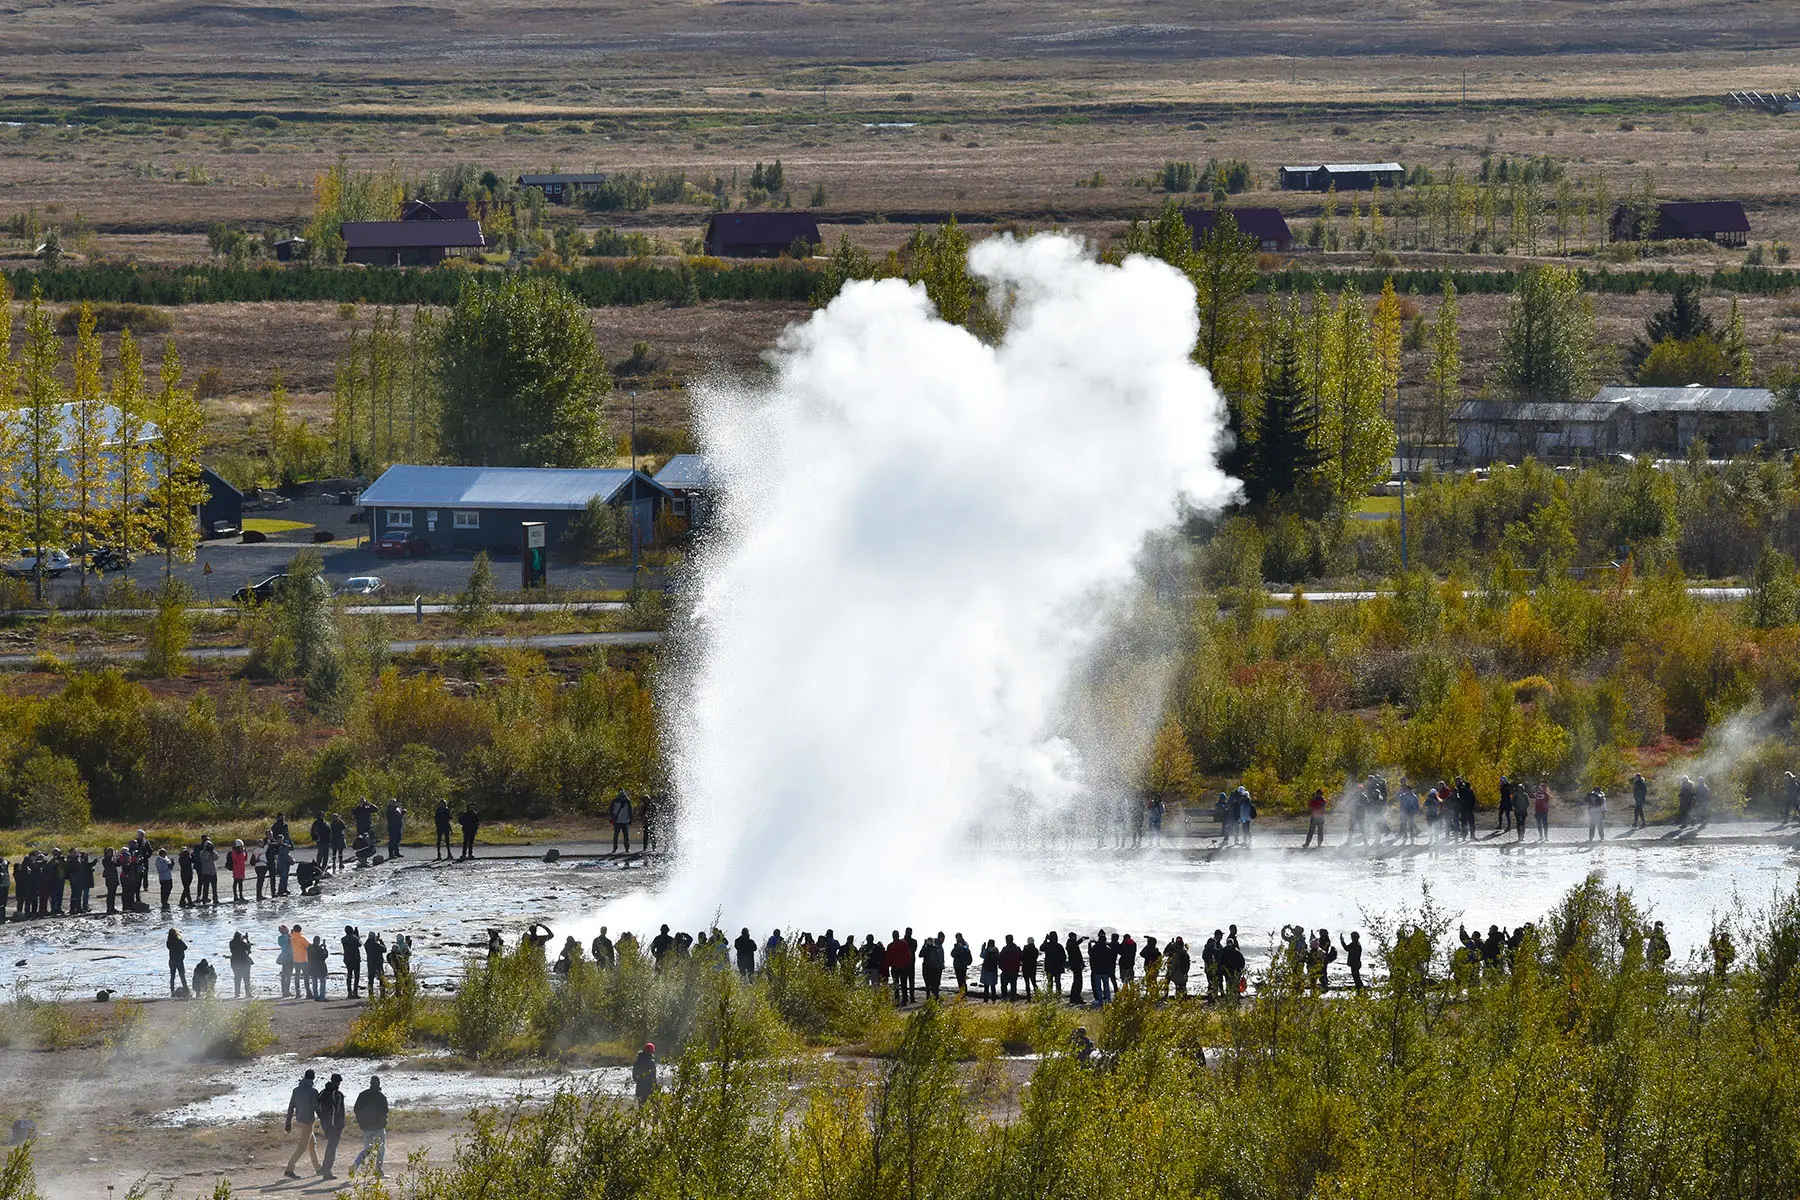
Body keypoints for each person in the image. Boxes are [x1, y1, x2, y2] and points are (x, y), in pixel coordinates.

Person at [285, 1069, 322, 1178]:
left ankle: (318, 1168)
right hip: (308, 1122)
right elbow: (317, 1107)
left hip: (299, 1120)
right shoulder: (313, 1092)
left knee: (312, 1144)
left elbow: (291, 1107)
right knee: (302, 1147)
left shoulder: (296, 1090)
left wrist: (288, 1122)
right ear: (313, 1078)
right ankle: (289, 1169)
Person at [350, 1076, 389, 1178]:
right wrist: (383, 1123)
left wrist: (361, 1122)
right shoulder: (381, 1097)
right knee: (380, 1150)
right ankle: (378, 1171)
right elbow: (384, 1112)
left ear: (370, 1083)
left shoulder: (363, 1095)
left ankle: (355, 1165)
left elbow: (356, 1109)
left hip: (366, 1127)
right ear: (379, 1084)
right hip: (378, 1128)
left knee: (367, 1150)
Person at [316, 1072, 346, 1179]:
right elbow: (337, 1112)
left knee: (330, 1148)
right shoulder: (337, 1094)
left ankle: (325, 1169)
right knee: (331, 1149)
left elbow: (317, 1108)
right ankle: (326, 1171)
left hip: (327, 1125)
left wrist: (323, 1121)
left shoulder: (323, 1093)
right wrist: (337, 1125)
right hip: (334, 1127)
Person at [921, 932, 945, 1001]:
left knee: (935, 984)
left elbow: (939, 956)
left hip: (936, 967)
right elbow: (920, 954)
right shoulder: (933, 946)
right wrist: (925, 946)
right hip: (930, 967)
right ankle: (931, 997)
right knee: (930, 984)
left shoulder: (937, 946)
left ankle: (935, 997)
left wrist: (942, 963)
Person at [229, 931, 254, 998]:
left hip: (234, 962)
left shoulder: (231, 943)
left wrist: (242, 938)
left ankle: (237, 994)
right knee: (246, 979)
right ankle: (248, 994)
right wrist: (247, 939)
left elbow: (236, 942)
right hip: (244, 962)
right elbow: (249, 949)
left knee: (237, 978)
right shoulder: (243, 943)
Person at [1042, 931, 1066, 998]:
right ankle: (1058, 996)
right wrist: (1061, 964)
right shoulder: (1059, 946)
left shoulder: (1047, 945)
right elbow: (1064, 957)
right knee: (1058, 982)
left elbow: (1041, 948)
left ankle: (1050, 996)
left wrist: (1045, 940)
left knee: (1050, 982)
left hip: (1049, 967)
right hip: (1057, 967)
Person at [998, 934, 1022, 1000]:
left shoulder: (1005, 949)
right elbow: (1020, 958)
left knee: (1004, 985)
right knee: (1013, 985)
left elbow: (1000, 958)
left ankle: (1004, 997)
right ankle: (1013, 997)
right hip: (1013, 970)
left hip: (1006, 970)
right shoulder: (1017, 948)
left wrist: (1001, 966)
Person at [365, 930, 388, 998]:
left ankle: (370, 994)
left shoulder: (366, 944)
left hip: (370, 963)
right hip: (378, 964)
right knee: (381, 979)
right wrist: (381, 942)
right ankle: (382, 994)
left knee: (371, 980)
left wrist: (376, 940)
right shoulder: (376, 944)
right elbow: (384, 949)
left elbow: (369, 941)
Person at [167, 927, 189, 997]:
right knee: (182, 976)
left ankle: (172, 991)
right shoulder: (178, 941)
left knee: (172, 977)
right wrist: (180, 939)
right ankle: (186, 989)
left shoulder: (168, 942)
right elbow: (185, 947)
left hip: (172, 961)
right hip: (179, 960)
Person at [342, 926, 363, 999]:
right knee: (356, 976)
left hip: (347, 959)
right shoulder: (355, 938)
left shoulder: (343, 939)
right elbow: (360, 944)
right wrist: (357, 935)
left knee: (349, 976)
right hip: (355, 959)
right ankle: (355, 992)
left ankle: (349, 993)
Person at [1065, 931, 1085, 1005]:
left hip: (1076, 965)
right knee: (1077, 982)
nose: (1075, 938)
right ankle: (1075, 997)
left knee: (1077, 982)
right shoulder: (1070, 944)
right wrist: (1081, 940)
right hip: (1075, 965)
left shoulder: (1071, 943)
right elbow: (1074, 946)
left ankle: (1075, 997)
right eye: (1074, 937)